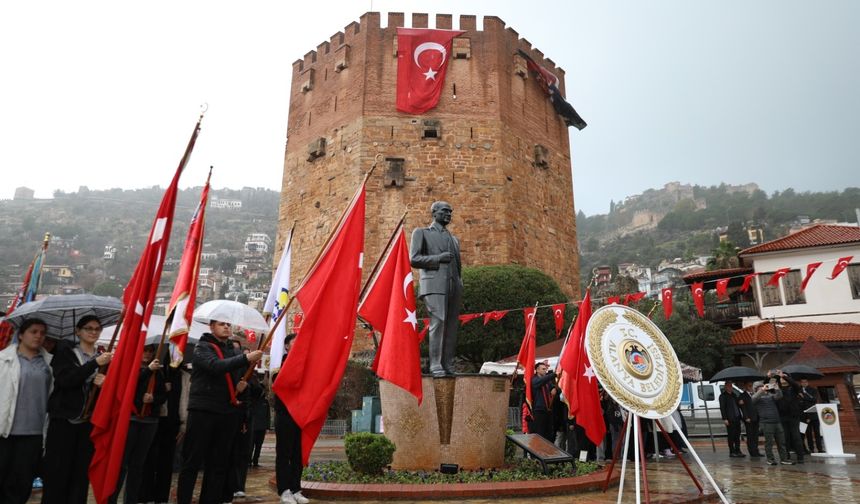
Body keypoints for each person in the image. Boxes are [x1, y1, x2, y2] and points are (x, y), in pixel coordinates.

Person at [176, 320, 263, 504]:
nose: (226, 327)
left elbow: (240, 376)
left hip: (226, 412)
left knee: (218, 463)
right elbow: (215, 366)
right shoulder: (202, 347)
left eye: (228, 325)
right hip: (203, 411)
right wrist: (245, 358)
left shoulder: (233, 350)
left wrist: (243, 384)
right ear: (211, 327)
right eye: (221, 324)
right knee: (192, 461)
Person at [42, 315, 112, 504]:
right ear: (78, 331)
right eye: (88, 328)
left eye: (97, 329)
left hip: (87, 424)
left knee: (80, 477)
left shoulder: (103, 357)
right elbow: (66, 380)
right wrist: (93, 366)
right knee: (58, 474)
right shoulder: (66, 353)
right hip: (64, 421)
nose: (93, 332)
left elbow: (107, 395)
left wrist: (103, 384)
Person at [0, 318, 52, 504]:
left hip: (33, 433)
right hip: (5, 431)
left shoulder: (48, 364)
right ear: (21, 335)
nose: (38, 336)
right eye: (33, 331)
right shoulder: (3, 360)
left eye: (42, 333)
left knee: (21, 484)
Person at [410, 201, 463, 377]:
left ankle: (447, 364)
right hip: (433, 284)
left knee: (451, 325)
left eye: (450, 211)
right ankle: (435, 364)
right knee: (438, 321)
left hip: (454, 286)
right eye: (445, 211)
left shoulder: (454, 240)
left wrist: (459, 283)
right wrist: (438, 258)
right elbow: (414, 259)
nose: (449, 214)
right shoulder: (422, 233)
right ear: (434, 213)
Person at [109, 344, 167, 504]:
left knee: (138, 465)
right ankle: (111, 499)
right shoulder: (131, 369)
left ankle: (131, 500)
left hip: (150, 421)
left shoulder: (158, 372)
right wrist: (147, 370)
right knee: (122, 463)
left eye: (150, 351)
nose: (147, 354)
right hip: (131, 419)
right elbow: (128, 387)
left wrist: (153, 399)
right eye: (145, 351)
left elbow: (163, 395)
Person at [274, 333, 310, 504]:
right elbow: (278, 382)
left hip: (301, 415)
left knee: (298, 454)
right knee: (284, 454)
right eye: (294, 343)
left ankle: (296, 489)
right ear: (287, 346)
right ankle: (284, 490)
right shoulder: (280, 363)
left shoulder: (306, 365)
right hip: (285, 415)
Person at [752, 380, 792, 465]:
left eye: (762, 386)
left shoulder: (770, 396)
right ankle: (770, 459)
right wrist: (761, 390)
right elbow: (753, 399)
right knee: (769, 443)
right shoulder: (756, 397)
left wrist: (777, 388)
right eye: (759, 387)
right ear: (756, 389)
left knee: (781, 442)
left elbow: (779, 396)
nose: (763, 388)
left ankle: (784, 459)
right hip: (766, 422)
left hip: (777, 421)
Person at [774, 370, 805, 464]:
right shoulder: (777, 388)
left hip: (793, 415)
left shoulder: (793, 388)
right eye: (781, 377)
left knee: (796, 436)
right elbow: (768, 385)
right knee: (785, 437)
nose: (782, 379)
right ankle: (786, 456)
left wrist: (784, 376)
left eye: (784, 377)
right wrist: (772, 377)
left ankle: (800, 456)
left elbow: (797, 385)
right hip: (782, 416)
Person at [528, 361, 557, 442]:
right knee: (540, 434)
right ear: (537, 370)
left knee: (549, 434)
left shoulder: (547, 381)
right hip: (539, 411)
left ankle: (547, 452)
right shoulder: (534, 380)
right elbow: (540, 382)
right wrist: (553, 374)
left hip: (548, 410)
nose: (545, 371)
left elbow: (551, 386)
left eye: (546, 369)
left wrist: (553, 388)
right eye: (543, 369)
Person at [250, 374, 271, 468]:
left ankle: (255, 461)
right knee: (251, 445)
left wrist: (267, 426)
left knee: (258, 446)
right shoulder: (253, 401)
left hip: (261, 427)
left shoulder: (265, 402)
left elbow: (267, 415)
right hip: (254, 426)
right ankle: (248, 461)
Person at [719, 380, 744, 457]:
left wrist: (740, 402)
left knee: (737, 435)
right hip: (730, 418)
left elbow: (738, 404)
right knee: (731, 435)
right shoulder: (723, 396)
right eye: (729, 386)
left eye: (731, 386)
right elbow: (722, 408)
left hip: (737, 417)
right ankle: (732, 451)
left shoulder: (734, 395)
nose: (731, 388)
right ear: (726, 387)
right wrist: (725, 418)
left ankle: (738, 450)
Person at [738, 381, 762, 457]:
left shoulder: (754, 394)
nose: (750, 388)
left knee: (756, 435)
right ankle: (752, 451)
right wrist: (746, 417)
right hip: (749, 418)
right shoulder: (742, 395)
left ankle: (756, 450)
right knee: (750, 435)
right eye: (749, 386)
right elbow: (743, 408)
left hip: (756, 417)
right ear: (745, 387)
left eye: (751, 386)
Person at [798, 378, 822, 453]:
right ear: (801, 383)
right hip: (804, 416)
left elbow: (814, 399)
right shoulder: (799, 391)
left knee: (817, 433)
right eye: (802, 382)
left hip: (814, 414)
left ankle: (820, 448)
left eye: (805, 382)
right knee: (808, 434)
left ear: (807, 382)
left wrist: (804, 396)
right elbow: (800, 402)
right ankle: (811, 448)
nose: (804, 383)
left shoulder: (813, 390)